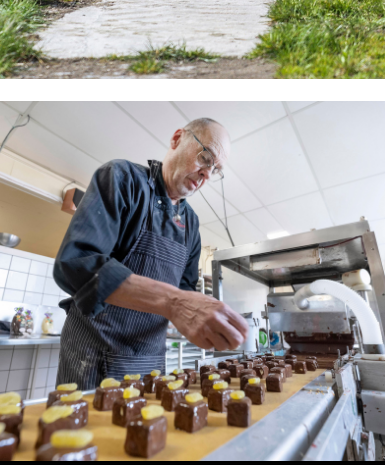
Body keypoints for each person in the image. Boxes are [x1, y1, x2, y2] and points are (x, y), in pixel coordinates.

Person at [54, 119, 249, 385]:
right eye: (206, 157)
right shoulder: (121, 179)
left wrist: (204, 323)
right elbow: (77, 264)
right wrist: (174, 303)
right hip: (91, 355)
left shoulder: (190, 223)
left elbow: (185, 289)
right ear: (177, 138)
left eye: (215, 170)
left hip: (150, 361)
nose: (207, 174)